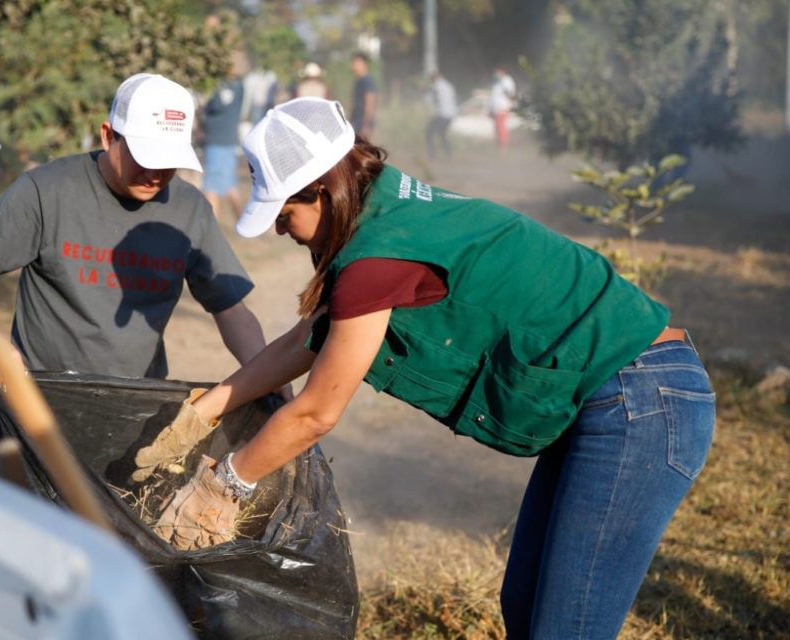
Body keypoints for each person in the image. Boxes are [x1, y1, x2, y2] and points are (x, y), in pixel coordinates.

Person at [150, 98, 716, 638]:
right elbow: (306, 339)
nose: (279, 228)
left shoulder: (377, 254)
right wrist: (200, 415)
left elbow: (317, 412)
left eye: (285, 211)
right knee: (525, 606)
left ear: (322, 188)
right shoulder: (384, 206)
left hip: (640, 401)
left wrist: (224, 486)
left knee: (564, 628)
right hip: (616, 393)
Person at [0, 74, 271, 388]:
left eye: (168, 162)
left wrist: (269, 378)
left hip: (138, 402)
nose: (155, 174)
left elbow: (231, 309)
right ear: (108, 136)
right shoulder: (48, 190)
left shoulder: (189, 208)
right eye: (146, 157)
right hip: (42, 397)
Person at [201, 62, 246, 220]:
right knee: (230, 185)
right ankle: (243, 222)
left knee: (212, 187)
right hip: (228, 141)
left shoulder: (220, 88)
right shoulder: (239, 87)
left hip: (216, 142)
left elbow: (213, 105)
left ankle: (212, 227)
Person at [425, 71, 458, 159]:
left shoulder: (436, 86)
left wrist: (425, 92)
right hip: (451, 114)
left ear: (433, 78)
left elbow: (428, 100)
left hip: (442, 114)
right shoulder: (448, 85)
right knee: (442, 134)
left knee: (429, 133)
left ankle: (432, 155)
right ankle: (449, 154)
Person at [349, 51, 377, 140]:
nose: (353, 65)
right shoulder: (358, 80)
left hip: (362, 124)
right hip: (356, 122)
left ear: (363, 63)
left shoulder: (367, 80)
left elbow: (370, 102)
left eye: (355, 62)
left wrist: (366, 126)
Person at [488, 67, 516, 149]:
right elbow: (492, 97)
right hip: (496, 109)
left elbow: (509, 93)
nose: (496, 74)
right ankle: (499, 146)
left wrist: (511, 104)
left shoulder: (506, 81)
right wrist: (490, 109)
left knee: (501, 128)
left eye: (498, 72)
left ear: (502, 72)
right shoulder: (496, 83)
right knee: (497, 128)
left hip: (502, 108)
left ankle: (503, 147)